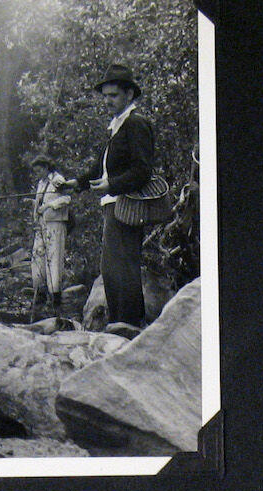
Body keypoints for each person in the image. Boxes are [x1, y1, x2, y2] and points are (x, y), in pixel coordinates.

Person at [68, 63, 156, 327]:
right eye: (105, 96)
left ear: (129, 95)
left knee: (122, 268)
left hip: (127, 206)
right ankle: (122, 323)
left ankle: (126, 325)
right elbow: (102, 167)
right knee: (111, 269)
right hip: (114, 204)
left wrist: (112, 186)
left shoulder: (135, 124)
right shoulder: (118, 126)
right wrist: (78, 183)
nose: (107, 101)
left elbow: (143, 171)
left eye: (113, 96)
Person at [28, 153, 72, 317]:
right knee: (37, 258)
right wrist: (36, 206)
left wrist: (48, 206)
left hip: (56, 225)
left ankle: (56, 299)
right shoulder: (41, 183)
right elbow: (40, 202)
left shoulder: (58, 179)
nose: (37, 174)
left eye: (39, 170)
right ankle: (39, 295)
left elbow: (67, 198)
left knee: (54, 260)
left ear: (46, 168)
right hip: (42, 226)